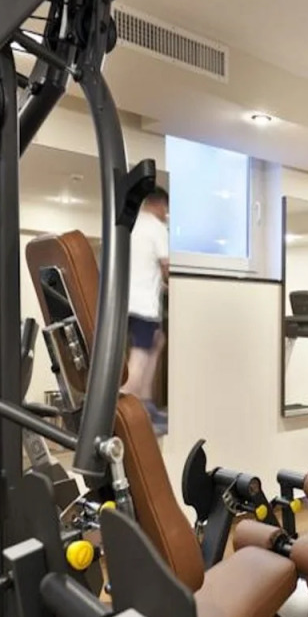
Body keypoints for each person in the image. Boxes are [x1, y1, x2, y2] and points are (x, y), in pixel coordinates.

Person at [123, 186, 170, 435]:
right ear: (160, 205)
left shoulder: (132, 224)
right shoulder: (157, 227)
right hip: (144, 305)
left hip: (125, 303)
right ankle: (125, 414)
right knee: (139, 356)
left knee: (157, 340)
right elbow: (166, 267)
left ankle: (146, 402)